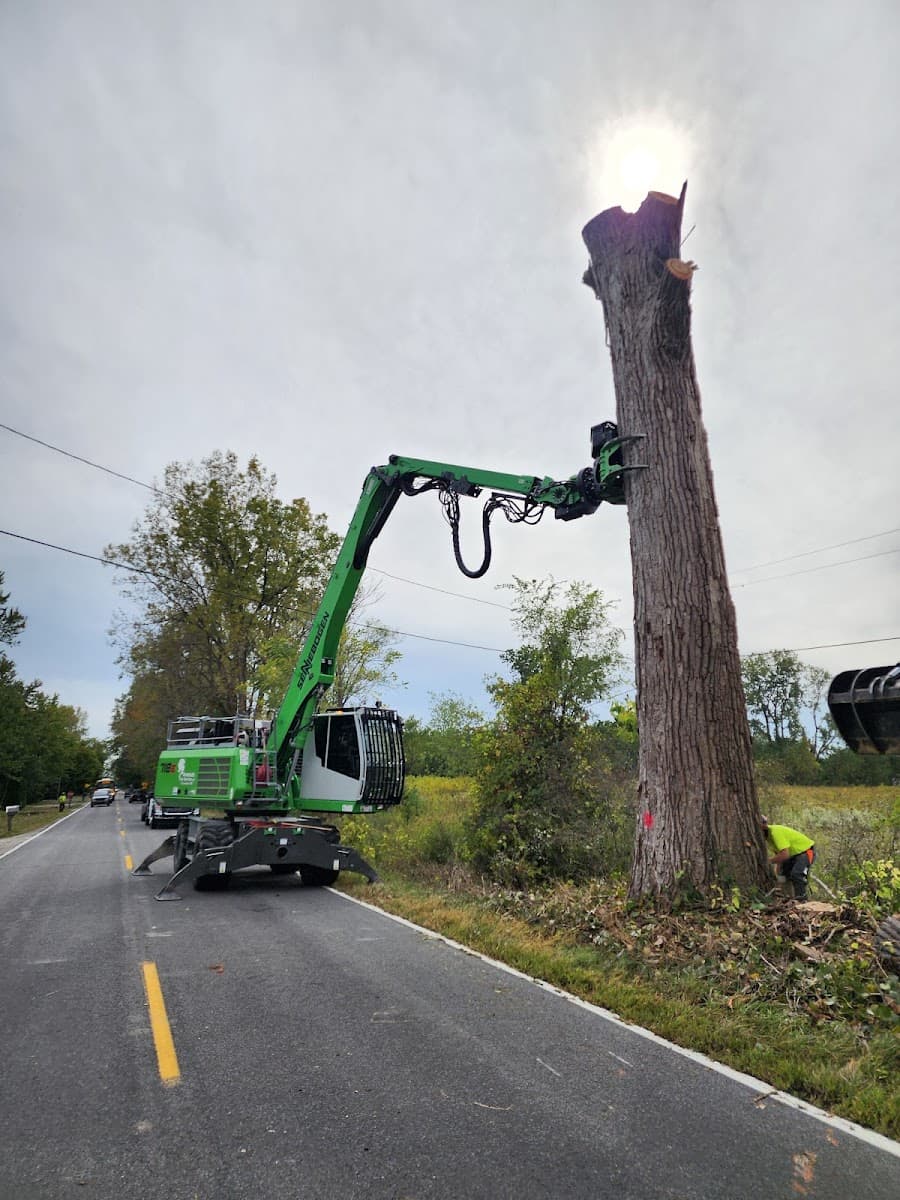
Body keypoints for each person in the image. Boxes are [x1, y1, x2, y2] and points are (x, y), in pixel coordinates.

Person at [760, 816, 815, 901]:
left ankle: (802, 900)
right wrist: (778, 874)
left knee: (797, 874)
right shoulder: (769, 838)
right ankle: (788, 898)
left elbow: (784, 855)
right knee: (783, 876)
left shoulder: (775, 832)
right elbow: (780, 856)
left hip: (805, 851)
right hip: (792, 855)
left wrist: (768, 861)